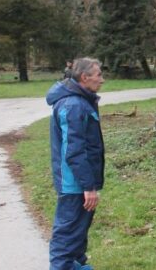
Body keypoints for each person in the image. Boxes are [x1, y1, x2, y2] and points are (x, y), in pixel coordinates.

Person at [47, 58, 106, 270]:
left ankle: (76, 265)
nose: (102, 80)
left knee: (78, 230)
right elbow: (74, 152)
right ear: (84, 77)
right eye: (98, 75)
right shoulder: (73, 105)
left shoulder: (81, 101)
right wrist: (88, 187)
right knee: (67, 233)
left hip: (80, 181)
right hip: (75, 183)